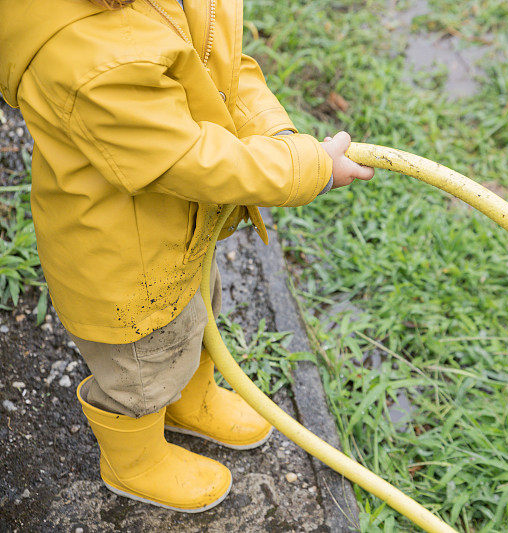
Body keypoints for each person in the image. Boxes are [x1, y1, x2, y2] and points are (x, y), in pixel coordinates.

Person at [0, 0, 374, 512]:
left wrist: (276, 134)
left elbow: (225, 68)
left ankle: (187, 401)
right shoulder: (85, 56)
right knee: (139, 369)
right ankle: (134, 461)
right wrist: (301, 168)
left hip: (174, 230)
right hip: (121, 263)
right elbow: (187, 158)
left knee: (196, 316)